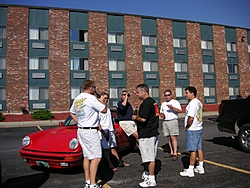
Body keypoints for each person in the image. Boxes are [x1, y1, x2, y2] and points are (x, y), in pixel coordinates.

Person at [70, 80, 107, 188]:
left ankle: (87, 180)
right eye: (94, 87)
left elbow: (72, 112)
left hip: (81, 130)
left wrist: (79, 122)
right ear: (91, 88)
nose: (95, 89)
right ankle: (92, 184)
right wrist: (99, 99)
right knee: (96, 158)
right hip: (90, 131)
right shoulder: (91, 98)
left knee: (87, 156)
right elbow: (104, 110)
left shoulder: (78, 98)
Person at [133, 84, 159, 187]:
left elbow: (143, 119)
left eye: (138, 92)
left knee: (149, 157)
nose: (136, 94)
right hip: (152, 131)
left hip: (147, 133)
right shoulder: (153, 101)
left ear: (144, 92)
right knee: (149, 156)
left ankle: (151, 179)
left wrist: (135, 117)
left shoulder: (147, 103)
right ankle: (148, 174)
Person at [98, 92, 130, 172]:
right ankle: (110, 164)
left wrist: (113, 128)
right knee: (106, 149)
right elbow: (97, 123)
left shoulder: (107, 107)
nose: (106, 100)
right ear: (100, 98)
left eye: (107, 98)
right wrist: (103, 132)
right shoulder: (98, 109)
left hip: (110, 131)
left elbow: (109, 120)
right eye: (104, 98)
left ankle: (119, 162)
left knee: (113, 147)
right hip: (104, 132)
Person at [179, 86, 205, 178]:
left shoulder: (192, 103)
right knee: (199, 148)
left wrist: (187, 126)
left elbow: (191, 117)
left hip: (192, 129)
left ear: (192, 93)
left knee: (192, 150)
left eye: (186, 93)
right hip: (199, 128)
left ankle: (190, 169)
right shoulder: (199, 102)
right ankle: (200, 167)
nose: (185, 95)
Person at [160, 89, 182, 161]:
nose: (167, 97)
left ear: (171, 95)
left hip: (173, 121)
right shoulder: (163, 104)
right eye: (166, 95)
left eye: (168, 95)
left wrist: (172, 108)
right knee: (168, 137)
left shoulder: (175, 102)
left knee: (173, 137)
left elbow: (179, 110)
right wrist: (162, 115)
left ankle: (175, 153)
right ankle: (171, 152)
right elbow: (161, 113)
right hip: (165, 121)